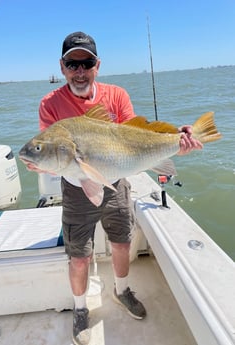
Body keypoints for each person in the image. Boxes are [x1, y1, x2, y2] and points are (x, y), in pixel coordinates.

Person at [38, 32, 203, 345]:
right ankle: (80, 308)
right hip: (75, 188)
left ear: (97, 65)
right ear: (62, 67)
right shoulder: (50, 103)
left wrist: (172, 142)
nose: (79, 71)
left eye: (86, 63)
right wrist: (39, 159)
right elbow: (48, 146)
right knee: (80, 257)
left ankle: (122, 291)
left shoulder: (116, 95)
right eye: (72, 64)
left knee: (123, 242)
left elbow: (137, 136)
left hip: (117, 182)